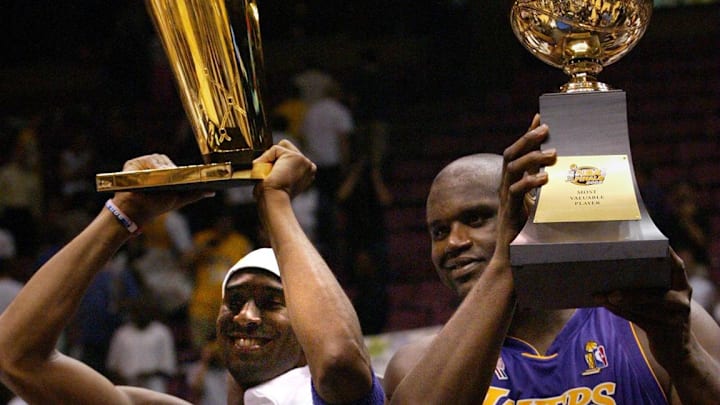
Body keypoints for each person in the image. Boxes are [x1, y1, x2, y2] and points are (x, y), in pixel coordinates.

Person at [0, 141, 384, 404]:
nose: (246, 316)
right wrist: (123, 215)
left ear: (307, 331)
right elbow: (16, 354)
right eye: (233, 300)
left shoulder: (342, 396)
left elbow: (338, 359)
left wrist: (276, 204)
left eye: (271, 302)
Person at [383, 115, 720, 404]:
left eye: (476, 219)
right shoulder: (415, 365)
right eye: (439, 232)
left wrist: (683, 357)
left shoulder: (655, 328)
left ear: (530, 214)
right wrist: (505, 263)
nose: (454, 243)